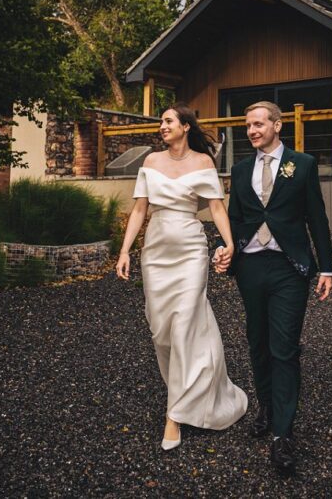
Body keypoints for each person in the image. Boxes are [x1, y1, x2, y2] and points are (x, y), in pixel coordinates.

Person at [212, 101, 332, 474]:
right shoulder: (240, 169)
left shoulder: (303, 165)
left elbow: (316, 217)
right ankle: (265, 406)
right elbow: (234, 218)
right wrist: (223, 249)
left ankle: (283, 433)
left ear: (277, 125)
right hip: (250, 267)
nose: (251, 130)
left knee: (284, 348)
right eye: (248, 125)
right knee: (258, 341)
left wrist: (326, 268)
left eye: (258, 124)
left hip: (288, 267)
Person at [116, 104, 247, 450]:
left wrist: (230, 244)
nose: (162, 126)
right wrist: (125, 250)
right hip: (156, 253)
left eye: (168, 121)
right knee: (162, 332)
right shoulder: (150, 161)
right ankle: (193, 388)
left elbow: (216, 207)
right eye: (161, 121)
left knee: (185, 324)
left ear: (186, 126)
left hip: (190, 251)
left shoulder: (203, 163)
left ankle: (174, 414)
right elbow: (140, 209)